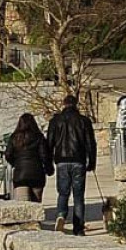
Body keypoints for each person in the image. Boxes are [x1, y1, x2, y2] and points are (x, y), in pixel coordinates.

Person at [46, 95, 97, 236]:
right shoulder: (84, 121)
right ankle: (78, 228)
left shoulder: (55, 121)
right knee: (78, 196)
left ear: (63, 104)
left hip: (61, 161)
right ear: (76, 104)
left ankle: (61, 214)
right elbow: (90, 143)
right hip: (78, 161)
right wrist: (92, 162)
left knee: (63, 193)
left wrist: (48, 164)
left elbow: (49, 143)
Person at [4, 113, 54, 203]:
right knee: (36, 203)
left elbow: (8, 154)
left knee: (23, 205)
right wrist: (49, 169)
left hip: (20, 175)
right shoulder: (39, 137)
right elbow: (44, 155)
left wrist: (16, 163)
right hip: (37, 173)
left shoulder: (14, 137)